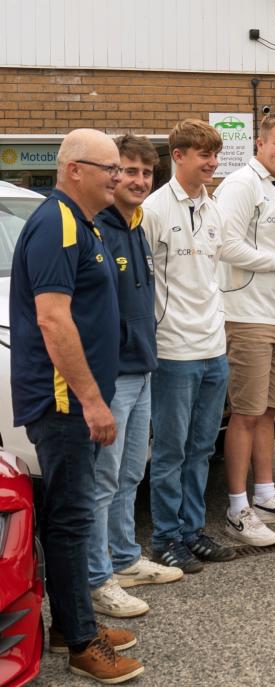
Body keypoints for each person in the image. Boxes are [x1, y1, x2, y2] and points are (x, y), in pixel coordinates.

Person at [10, 129, 143, 682]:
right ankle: (82, 643)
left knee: (74, 515)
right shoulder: (58, 223)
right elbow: (53, 318)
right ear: (74, 171)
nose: (118, 177)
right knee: (68, 521)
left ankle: (71, 622)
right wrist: (92, 400)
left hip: (78, 399)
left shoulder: (82, 223)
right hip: (65, 402)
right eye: (109, 168)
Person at [88, 135, 184, 620]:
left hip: (143, 367)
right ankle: (96, 577)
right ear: (111, 174)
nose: (138, 180)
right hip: (113, 374)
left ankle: (124, 559)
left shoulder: (135, 226)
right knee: (102, 479)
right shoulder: (97, 229)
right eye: (128, 170)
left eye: (146, 173)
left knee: (130, 473)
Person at [214, 112, 275, 546]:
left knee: (270, 412)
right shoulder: (240, 185)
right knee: (246, 413)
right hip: (245, 315)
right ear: (259, 143)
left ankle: (266, 496)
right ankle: (237, 508)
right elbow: (227, 245)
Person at [142, 119, 235, 572]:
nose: (213, 162)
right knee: (171, 450)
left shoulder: (214, 208)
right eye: (204, 154)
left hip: (213, 348)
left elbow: (215, 274)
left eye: (215, 154)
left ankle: (192, 530)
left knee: (201, 448)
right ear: (178, 156)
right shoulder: (155, 209)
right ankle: (164, 537)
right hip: (173, 350)